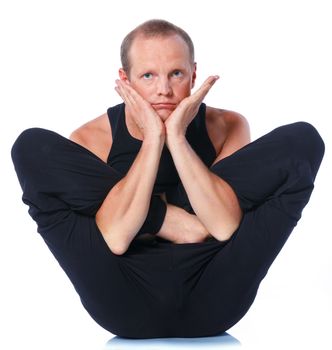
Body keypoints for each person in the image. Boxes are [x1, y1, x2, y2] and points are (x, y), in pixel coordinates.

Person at [11, 19, 324, 339]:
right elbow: (116, 236)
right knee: (31, 147)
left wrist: (175, 137)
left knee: (303, 141)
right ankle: (164, 216)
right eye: (148, 75)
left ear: (193, 74)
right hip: (122, 299)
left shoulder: (227, 124)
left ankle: (153, 206)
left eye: (176, 73)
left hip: (217, 294)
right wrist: (152, 147)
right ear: (125, 80)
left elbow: (221, 224)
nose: (164, 89)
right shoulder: (92, 138)